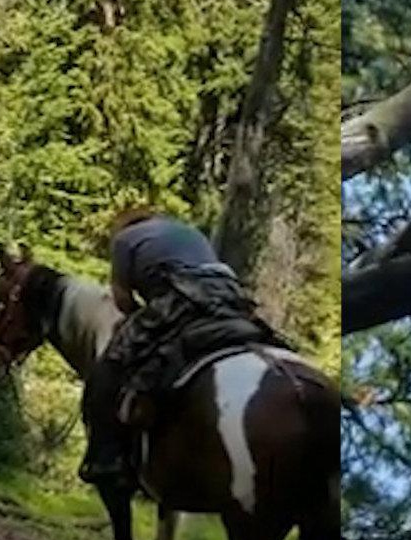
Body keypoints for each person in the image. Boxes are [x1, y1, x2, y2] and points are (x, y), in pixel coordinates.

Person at [78, 206, 284, 488]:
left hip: (178, 298)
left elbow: (122, 299)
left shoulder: (124, 239)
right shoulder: (188, 230)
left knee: (110, 367)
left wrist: (137, 318)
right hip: (229, 295)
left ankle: (106, 457)